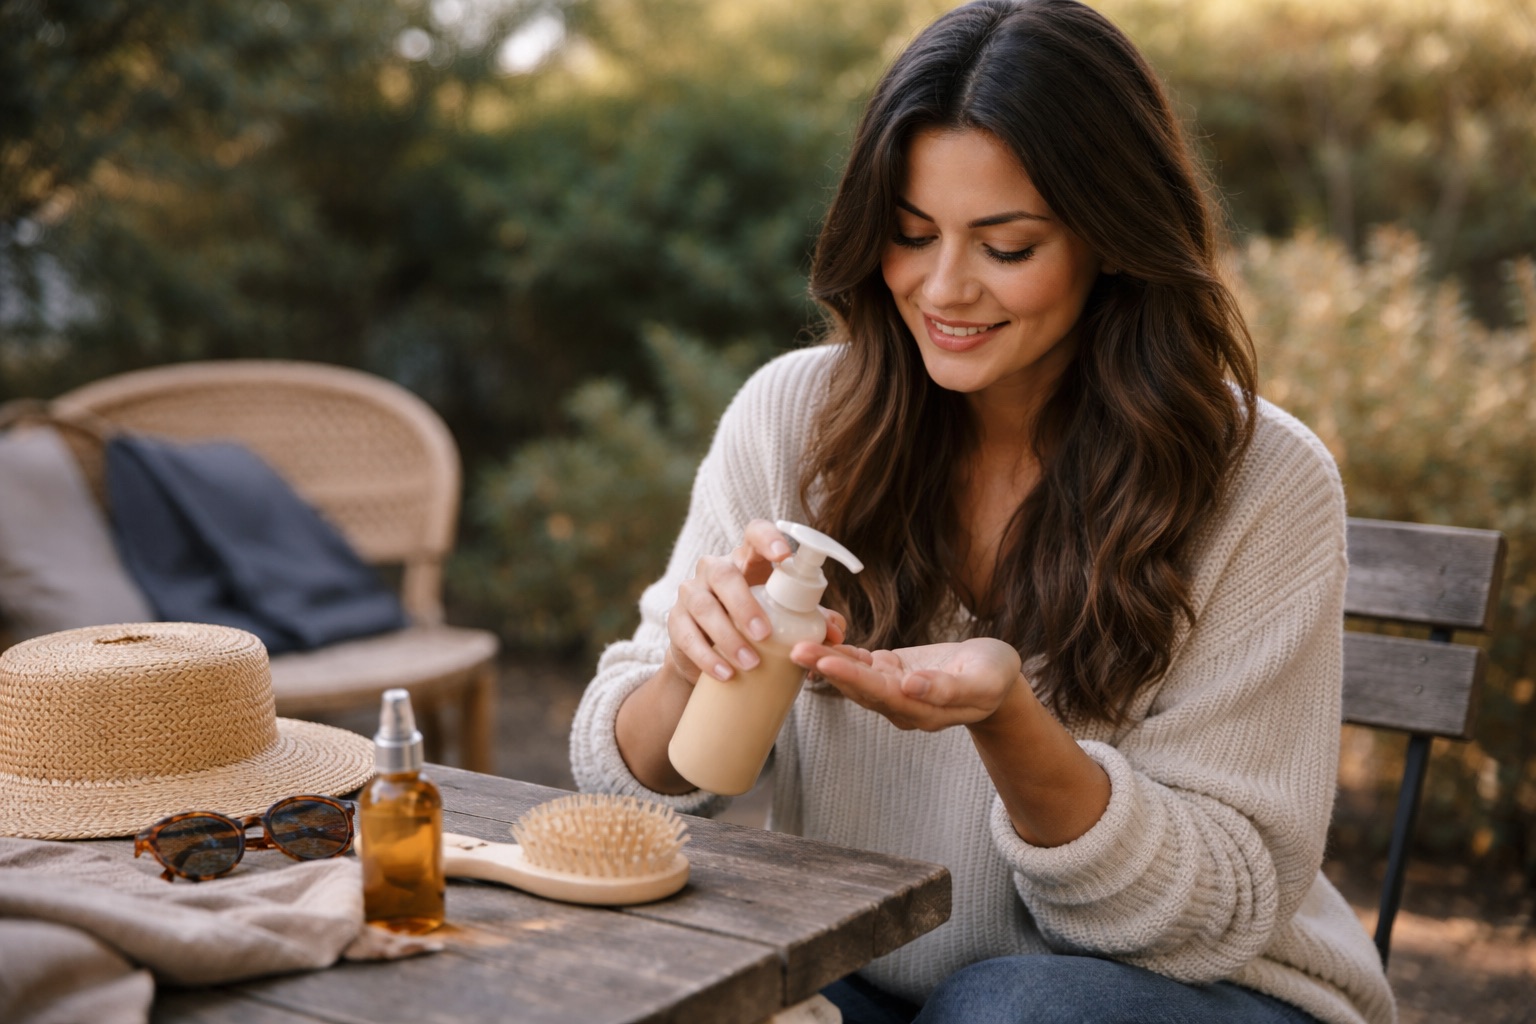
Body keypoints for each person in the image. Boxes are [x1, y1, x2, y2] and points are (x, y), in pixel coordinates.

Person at [570, 1, 1393, 1021]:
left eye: (1006, 247)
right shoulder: (794, 420)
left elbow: (1217, 909)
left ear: (1113, 240)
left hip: (1197, 991)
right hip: (881, 971)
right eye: (911, 235)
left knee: (1004, 1009)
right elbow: (622, 805)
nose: (944, 288)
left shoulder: (1262, 480)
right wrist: (688, 673)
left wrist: (1013, 727)